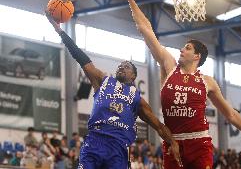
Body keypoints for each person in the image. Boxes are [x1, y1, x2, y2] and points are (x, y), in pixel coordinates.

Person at [124, 0, 241, 169]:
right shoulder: (169, 67)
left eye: (187, 48)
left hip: (199, 144)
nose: (181, 50)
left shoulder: (207, 81)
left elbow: (230, 114)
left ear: (197, 56)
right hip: (173, 143)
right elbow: (146, 30)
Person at [45, 10, 182, 169]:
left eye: (126, 66)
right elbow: (80, 56)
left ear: (133, 76)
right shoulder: (103, 81)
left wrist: (173, 142)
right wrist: (59, 30)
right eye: (120, 66)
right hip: (94, 142)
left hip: (118, 148)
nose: (121, 67)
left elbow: (158, 125)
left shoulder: (136, 99)